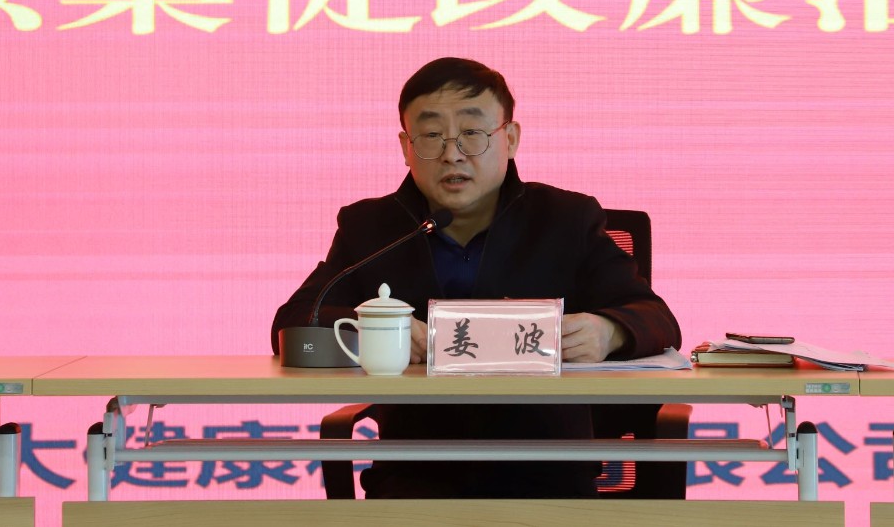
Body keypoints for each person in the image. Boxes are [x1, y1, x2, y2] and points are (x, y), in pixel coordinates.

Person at [271, 57, 680, 498]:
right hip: (415, 477)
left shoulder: (566, 219)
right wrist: (374, 328)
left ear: (510, 138)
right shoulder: (371, 226)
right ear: (406, 147)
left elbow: (656, 318)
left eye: (472, 133)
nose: (452, 153)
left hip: (549, 477)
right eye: (431, 135)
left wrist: (609, 331)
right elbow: (294, 321)